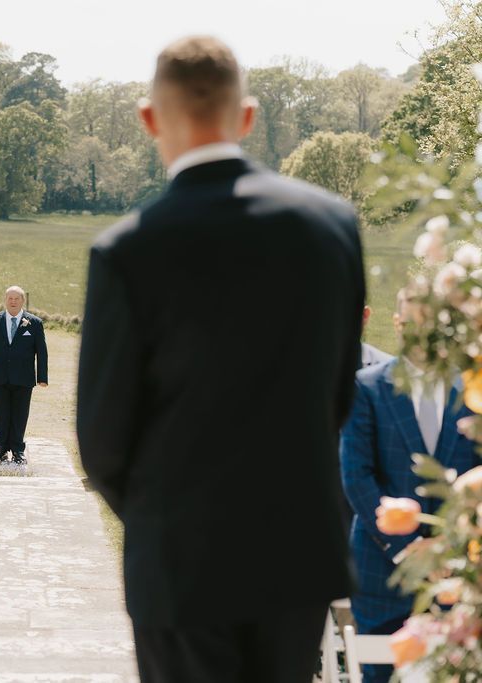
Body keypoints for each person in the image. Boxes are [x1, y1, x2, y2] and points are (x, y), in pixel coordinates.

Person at [76, 36, 365, 683]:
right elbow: (337, 394)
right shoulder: (332, 226)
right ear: (249, 116)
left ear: (149, 118)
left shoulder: (126, 251)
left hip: (180, 564)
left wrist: (167, 515)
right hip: (297, 553)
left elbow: (102, 442)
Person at [341, 289, 479, 683]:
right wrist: (409, 548)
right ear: (399, 324)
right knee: (381, 675)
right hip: (381, 571)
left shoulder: (472, 391)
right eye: (413, 322)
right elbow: (356, 477)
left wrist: (449, 551)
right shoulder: (366, 386)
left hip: (458, 574)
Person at [0, 286, 48, 464]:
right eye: (10, 298)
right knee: (0, 414)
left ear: (23, 300)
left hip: (23, 378)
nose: (13, 301)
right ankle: (1, 448)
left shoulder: (35, 323)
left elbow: (42, 351)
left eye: (17, 298)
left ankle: (17, 450)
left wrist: (42, 378)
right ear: (5, 300)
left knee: (20, 414)